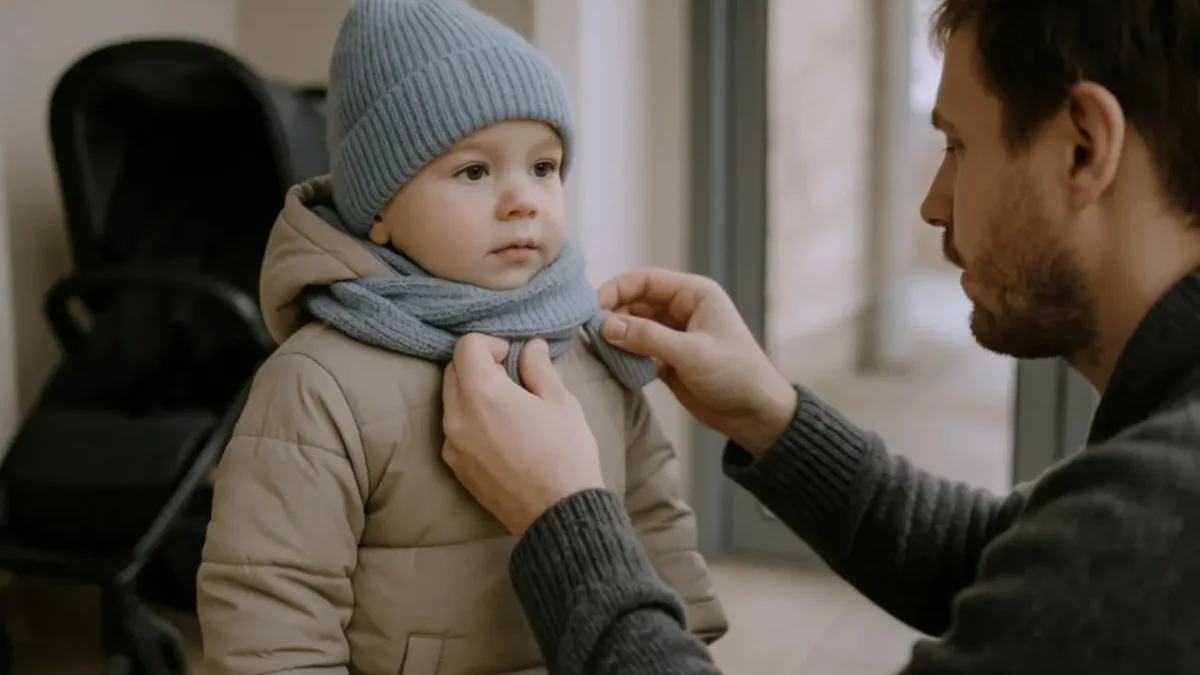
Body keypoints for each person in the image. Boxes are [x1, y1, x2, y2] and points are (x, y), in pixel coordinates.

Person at [439, 0, 1200, 673]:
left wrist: (563, 516)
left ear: (1084, 146)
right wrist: (770, 412)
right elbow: (1007, 559)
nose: (935, 206)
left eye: (958, 146)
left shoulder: (1162, 516)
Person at [194, 0, 727, 673]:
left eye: (544, 167)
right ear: (380, 209)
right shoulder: (317, 382)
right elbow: (269, 600)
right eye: (474, 171)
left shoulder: (589, 343)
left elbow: (650, 512)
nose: (523, 199)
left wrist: (686, 644)